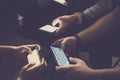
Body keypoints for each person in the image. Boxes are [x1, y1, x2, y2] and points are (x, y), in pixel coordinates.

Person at [52, 0, 120, 68]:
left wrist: (90, 75)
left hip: (107, 35)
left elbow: (107, 5)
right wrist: (77, 40)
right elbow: (115, 16)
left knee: (100, 51)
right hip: (87, 18)